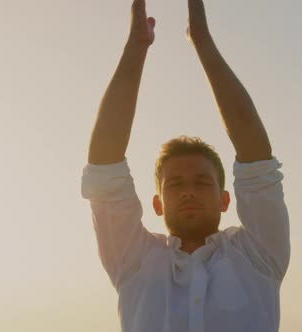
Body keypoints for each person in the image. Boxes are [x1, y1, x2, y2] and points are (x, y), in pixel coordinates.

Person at [80, 0, 290, 331]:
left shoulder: (258, 255)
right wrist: (136, 50)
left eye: (202, 183)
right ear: (158, 203)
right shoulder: (133, 260)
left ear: (225, 199)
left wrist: (204, 43)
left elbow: (256, 158)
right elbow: (104, 168)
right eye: (175, 184)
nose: (189, 191)